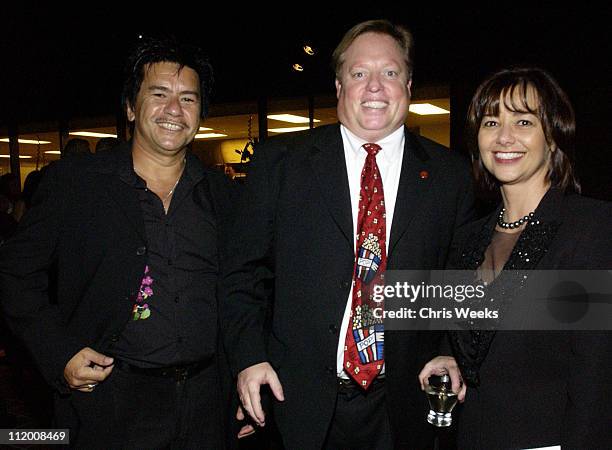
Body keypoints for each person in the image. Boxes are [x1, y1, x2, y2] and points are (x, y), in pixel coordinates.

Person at [220, 19, 474, 449]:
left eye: (389, 73)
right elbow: (241, 276)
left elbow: (459, 279)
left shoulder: (450, 175)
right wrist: (249, 357)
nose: (375, 87)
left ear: (408, 85)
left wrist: (450, 347)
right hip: (295, 403)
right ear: (339, 87)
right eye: (359, 74)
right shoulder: (281, 164)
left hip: (403, 406)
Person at [0, 36, 234, 449]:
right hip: (111, 404)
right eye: (158, 94)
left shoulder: (223, 195)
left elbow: (245, 291)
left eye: (188, 98)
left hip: (207, 406)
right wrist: (59, 352)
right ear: (129, 106)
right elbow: (14, 273)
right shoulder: (76, 185)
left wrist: (242, 377)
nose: (174, 110)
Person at [420, 67, 612, 449]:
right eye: (492, 121)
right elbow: (475, 343)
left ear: (554, 138)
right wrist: (451, 358)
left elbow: (597, 378)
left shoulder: (592, 227)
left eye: (523, 121)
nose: (504, 136)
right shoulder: (468, 239)